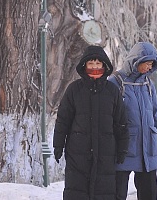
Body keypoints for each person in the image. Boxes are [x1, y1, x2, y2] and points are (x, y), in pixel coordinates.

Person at [53, 45, 129, 200]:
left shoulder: (112, 91)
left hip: (105, 154)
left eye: (98, 63)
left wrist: (122, 149)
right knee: (77, 192)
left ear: (104, 65)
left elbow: (121, 122)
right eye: (91, 63)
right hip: (78, 153)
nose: (95, 67)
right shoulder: (74, 89)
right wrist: (58, 145)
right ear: (84, 65)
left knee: (104, 193)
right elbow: (63, 120)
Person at [110, 42, 157, 200]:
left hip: (147, 149)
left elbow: (156, 116)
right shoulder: (115, 82)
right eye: (147, 63)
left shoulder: (148, 84)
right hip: (124, 149)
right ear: (137, 60)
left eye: (151, 64)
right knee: (117, 194)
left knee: (149, 194)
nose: (149, 67)